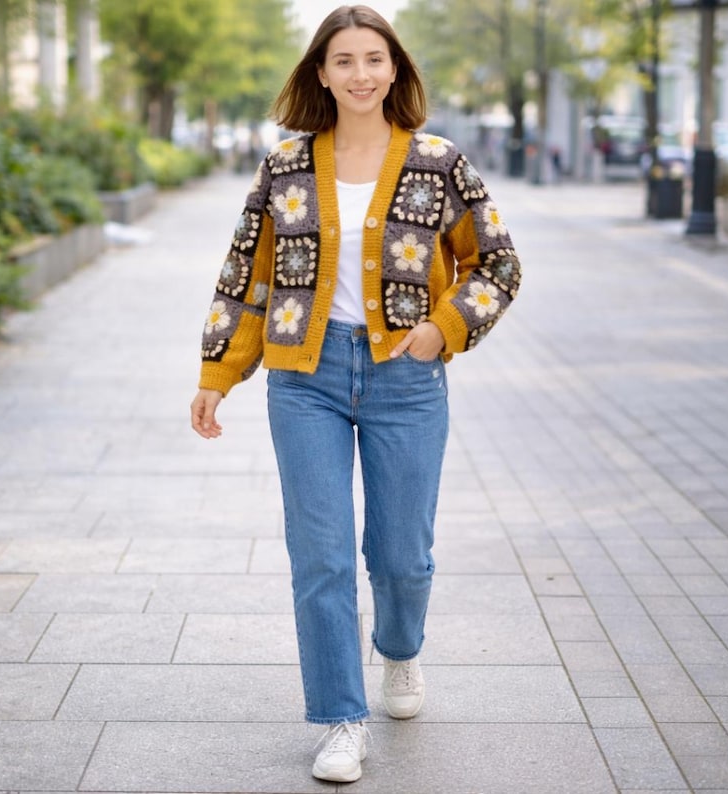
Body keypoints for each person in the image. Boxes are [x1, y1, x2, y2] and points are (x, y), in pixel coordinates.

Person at [190, 4, 521, 784]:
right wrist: (217, 375)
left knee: (402, 557)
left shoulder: (439, 163)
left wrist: (443, 328)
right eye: (344, 60)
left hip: (407, 377)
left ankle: (400, 652)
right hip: (303, 379)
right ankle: (341, 718)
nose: (361, 73)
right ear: (321, 73)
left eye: (375, 59)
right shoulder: (286, 167)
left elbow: (498, 265)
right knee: (322, 555)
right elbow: (246, 275)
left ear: (396, 70)